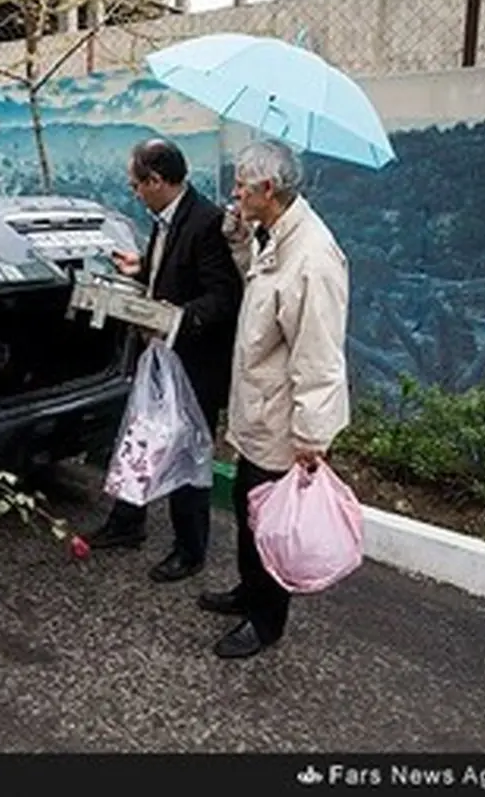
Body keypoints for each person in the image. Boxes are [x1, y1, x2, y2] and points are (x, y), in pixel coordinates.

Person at [200, 139, 351, 659]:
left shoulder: (313, 257)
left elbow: (319, 356)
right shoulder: (277, 237)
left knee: (272, 522)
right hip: (260, 411)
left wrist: (312, 434)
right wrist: (242, 243)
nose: (234, 192)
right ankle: (249, 593)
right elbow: (264, 294)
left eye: (242, 185)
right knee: (250, 509)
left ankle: (266, 621)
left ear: (267, 189)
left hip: (284, 421)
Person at [87, 138, 244, 583]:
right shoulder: (167, 219)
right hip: (160, 355)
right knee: (141, 436)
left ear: (156, 181)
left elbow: (223, 297)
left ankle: (190, 550)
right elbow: (175, 271)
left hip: (194, 363)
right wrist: (141, 270)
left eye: (136, 184)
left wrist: (174, 317)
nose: (134, 192)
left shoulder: (206, 222)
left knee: (187, 453)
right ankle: (126, 522)